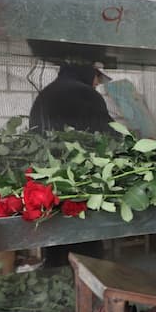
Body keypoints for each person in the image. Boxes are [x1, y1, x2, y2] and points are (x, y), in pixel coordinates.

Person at [29, 63, 114, 267]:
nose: (96, 85)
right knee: (87, 257)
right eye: (97, 79)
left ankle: (60, 289)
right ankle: (87, 292)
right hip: (80, 188)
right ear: (88, 71)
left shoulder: (45, 95)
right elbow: (109, 136)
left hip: (49, 189)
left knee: (57, 248)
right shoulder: (86, 94)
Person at [29, 63, 114, 134]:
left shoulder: (45, 93)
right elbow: (107, 130)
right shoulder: (88, 94)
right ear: (89, 71)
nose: (98, 82)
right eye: (97, 76)